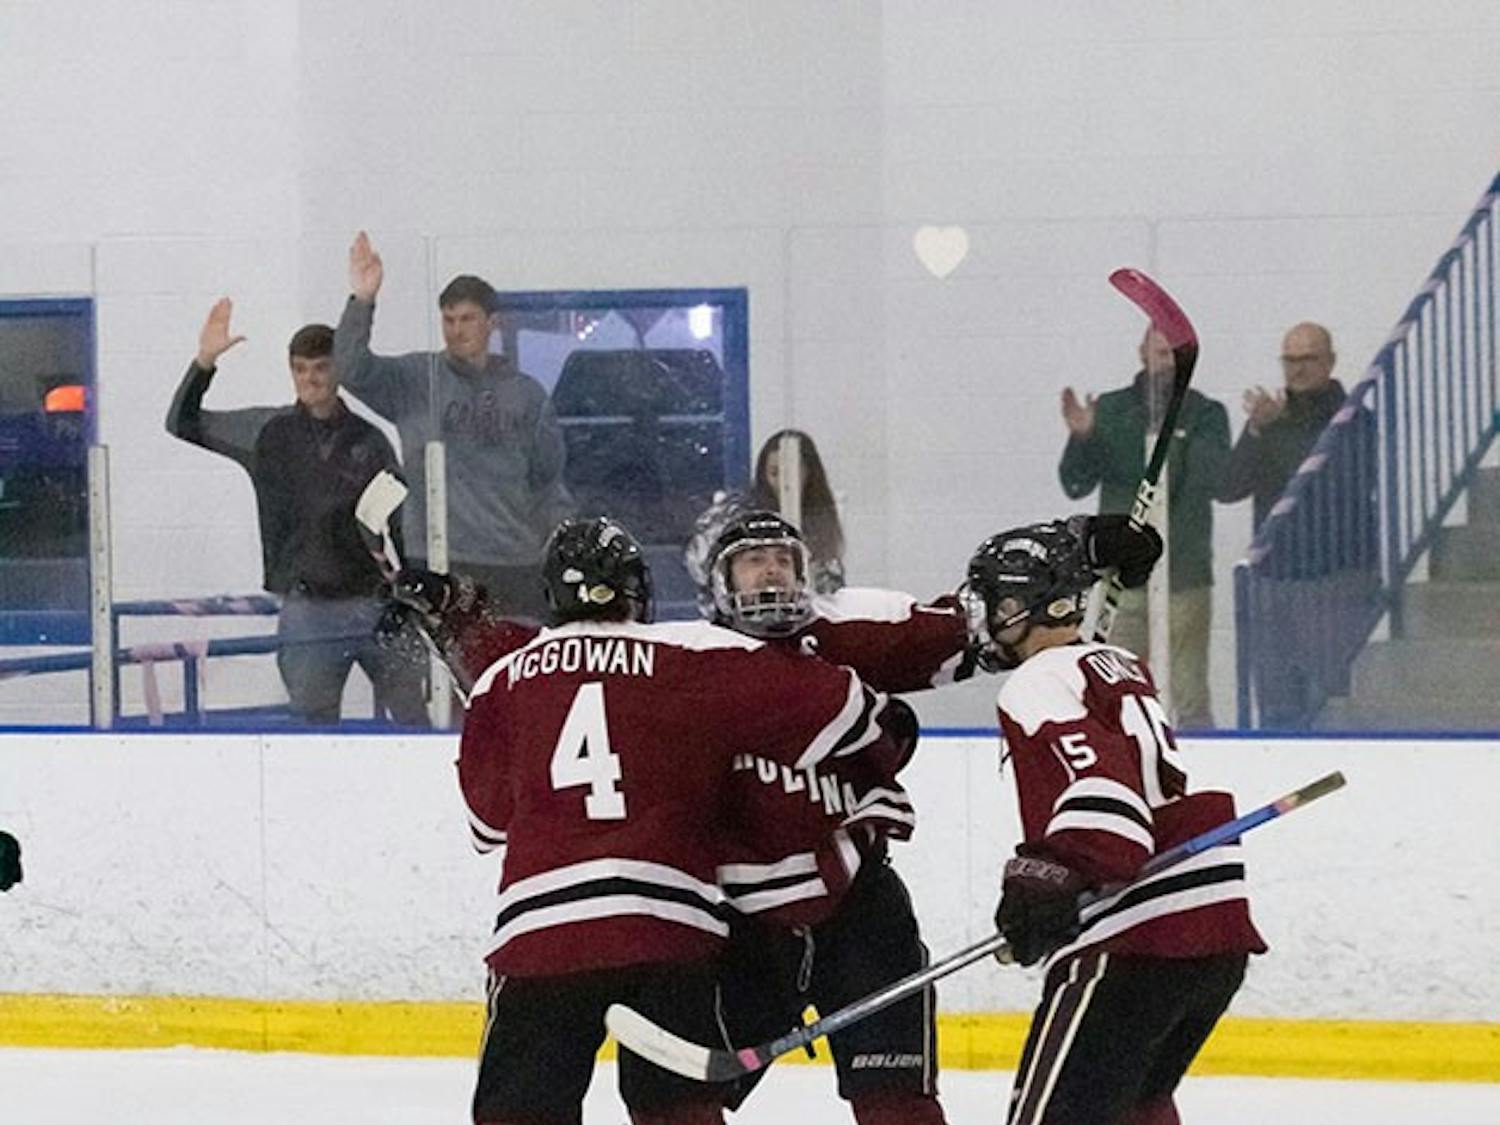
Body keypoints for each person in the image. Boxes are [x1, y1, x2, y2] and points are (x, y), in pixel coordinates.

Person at [695, 509, 1163, 1125]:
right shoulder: (689, 658)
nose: (773, 572)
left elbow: (992, 620)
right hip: (740, 917)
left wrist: (1080, 544)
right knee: (682, 1101)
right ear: (719, 582)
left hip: (859, 903)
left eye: (784, 559)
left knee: (900, 1102)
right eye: (754, 561)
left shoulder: (846, 627)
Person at [457, 515, 916, 1125]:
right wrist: (888, 726)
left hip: (543, 931)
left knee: (520, 1115)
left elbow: (488, 826)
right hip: (668, 927)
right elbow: (847, 710)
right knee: (676, 1111)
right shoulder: (690, 653)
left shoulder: (500, 681)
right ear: (637, 590)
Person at [961, 520, 1266, 1125]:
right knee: (1138, 1110)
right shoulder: (1118, 662)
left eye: (992, 599)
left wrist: (1046, 876)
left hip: (1133, 938)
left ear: (1018, 605)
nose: (983, 615)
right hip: (1209, 938)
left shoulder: (1036, 680)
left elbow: (1107, 795)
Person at [165, 299, 429, 727]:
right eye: (301, 368)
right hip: (309, 610)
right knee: (313, 728)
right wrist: (205, 361)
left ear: (338, 370)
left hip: (376, 602)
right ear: (291, 371)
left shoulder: (372, 440)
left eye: (321, 367)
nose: (311, 378)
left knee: (412, 719)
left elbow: (401, 520)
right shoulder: (266, 432)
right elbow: (182, 422)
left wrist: (410, 591)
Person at [336, 231, 573, 619]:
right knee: (446, 672)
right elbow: (350, 368)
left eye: (467, 319)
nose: (456, 329)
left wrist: (556, 551)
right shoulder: (415, 379)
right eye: (448, 319)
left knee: (510, 670)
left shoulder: (527, 394)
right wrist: (363, 300)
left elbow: (548, 477)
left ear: (491, 323)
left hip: (514, 561)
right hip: (439, 557)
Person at [1059, 328, 1231, 728]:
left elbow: (1213, 481)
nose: (1164, 362)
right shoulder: (1111, 409)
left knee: (1188, 689)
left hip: (1183, 574)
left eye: (1172, 355)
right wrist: (1083, 438)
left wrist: (1178, 436)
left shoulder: (1205, 413)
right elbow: (1075, 483)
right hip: (1123, 577)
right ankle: (1120, 758)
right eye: (1158, 353)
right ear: (1141, 353)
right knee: (1116, 681)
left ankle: (1195, 761)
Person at [1218, 323, 1379, 728]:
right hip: (1273, 580)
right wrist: (1255, 431)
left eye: (1307, 359)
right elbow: (1228, 487)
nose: (1297, 369)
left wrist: (1276, 428)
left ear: (1330, 361)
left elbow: (1324, 481)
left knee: (1330, 702)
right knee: (1275, 706)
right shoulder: (1270, 418)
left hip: (1335, 579)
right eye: (1289, 360)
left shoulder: (1354, 418)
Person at [750, 429, 847, 593]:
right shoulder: (746, 518)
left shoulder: (821, 518)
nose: (783, 483)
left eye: (791, 474)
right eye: (774, 473)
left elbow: (831, 590)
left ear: (809, 473)